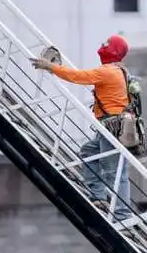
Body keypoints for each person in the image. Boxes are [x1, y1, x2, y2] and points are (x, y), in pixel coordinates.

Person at [30, 34, 132, 221]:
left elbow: (79, 77)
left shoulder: (108, 72)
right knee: (88, 153)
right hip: (112, 126)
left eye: (107, 44)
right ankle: (98, 196)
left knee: (114, 171)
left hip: (112, 127)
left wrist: (51, 66)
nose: (103, 45)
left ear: (113, 50)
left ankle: (122, 215)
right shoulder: (119, 70)